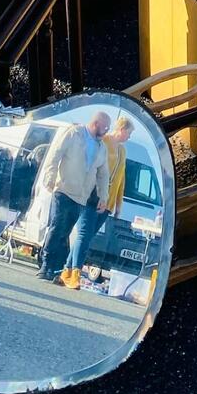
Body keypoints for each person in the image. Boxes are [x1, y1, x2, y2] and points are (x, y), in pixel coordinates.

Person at [37, 112, 110, 288]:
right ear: (96, 123)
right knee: (57, 226)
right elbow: (55, 154)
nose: (107, 131)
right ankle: (45, 264)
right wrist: (49, 177)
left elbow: (103, 174)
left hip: (81, 196)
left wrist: (103, 196)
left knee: (67, 232)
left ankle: (56, 269)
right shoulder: (73, 133)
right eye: (105, 127)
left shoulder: (102, 148)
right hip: (63, 189)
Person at [67, 114, 133, 286]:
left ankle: (66, 269)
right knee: (83, 234)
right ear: (121, 129)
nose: (129, 137)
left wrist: (118, 204)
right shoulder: (104, 141)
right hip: (91, 195)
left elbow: (121, 178)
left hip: (108, 201)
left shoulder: (123, 150)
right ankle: (75, 273)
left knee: (88, 237)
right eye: (129, 133)